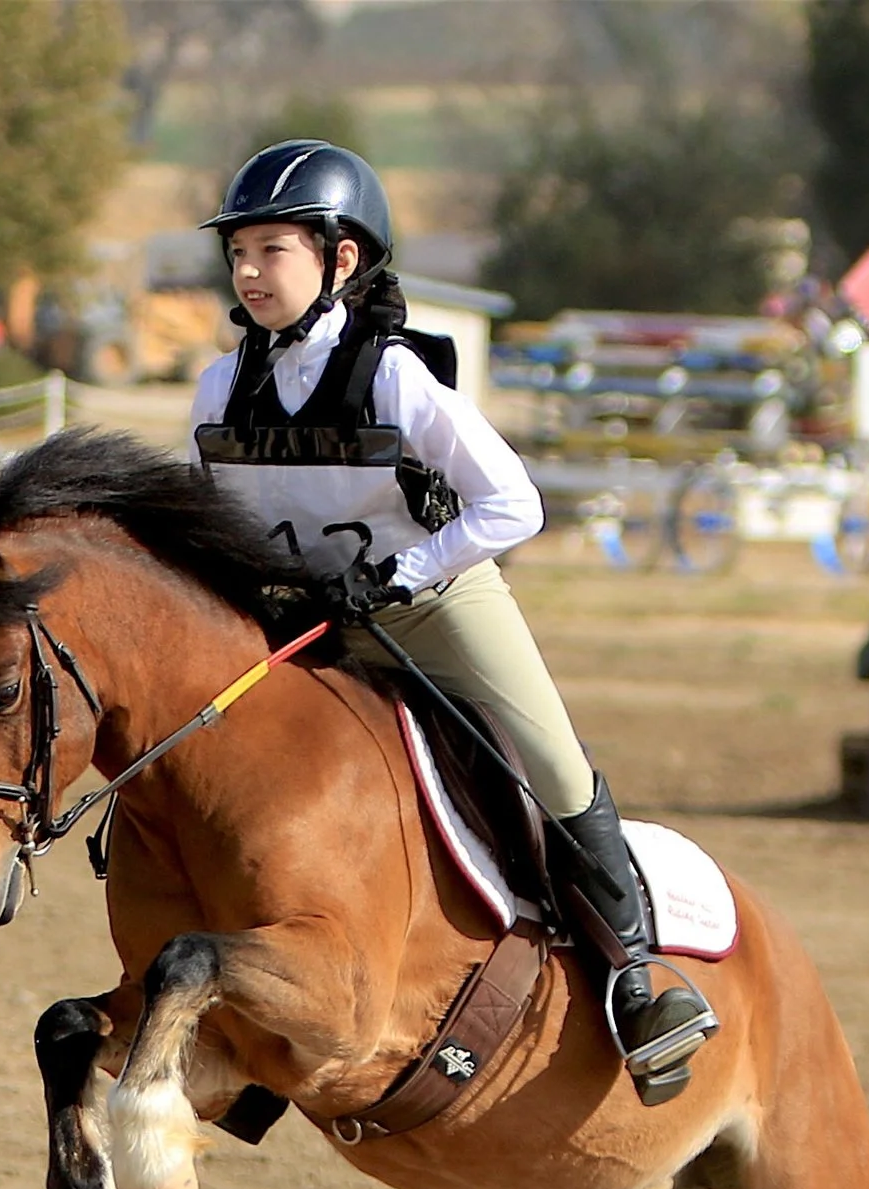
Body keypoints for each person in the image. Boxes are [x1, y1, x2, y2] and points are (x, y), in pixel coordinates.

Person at [189, 140, 715, 1104]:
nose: (251, 272)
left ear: (340, 260)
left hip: (434, 604)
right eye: (240, 254)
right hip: (307, 620)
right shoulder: (222, 386)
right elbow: (218, 517)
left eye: (273, 250)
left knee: (549, 758)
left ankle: (639, 984)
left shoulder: (394, 376)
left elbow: (515, 504)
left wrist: (400, 571)